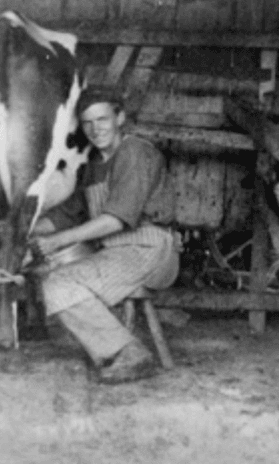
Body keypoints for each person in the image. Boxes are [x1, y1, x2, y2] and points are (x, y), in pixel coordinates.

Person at [30, 88, 179, 384]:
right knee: (48, 276)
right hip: (115, 252)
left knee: (60, 284)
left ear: (120, 117)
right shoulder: (92, 166)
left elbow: (116, 220)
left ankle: (128, 353)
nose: (95, 129)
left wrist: (58, 241)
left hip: (150, 248)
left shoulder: (135, 152)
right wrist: (26, 230)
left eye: (102, 119)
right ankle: (114, 346)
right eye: (87, 123)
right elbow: (67, 215)